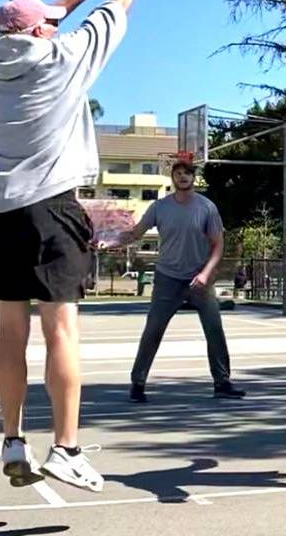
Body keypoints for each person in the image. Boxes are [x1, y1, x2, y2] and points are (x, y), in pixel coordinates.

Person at [0, 0, 170, 493]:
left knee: (10, 332)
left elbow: (32, 23)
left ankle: (12, 438)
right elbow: (120, 4)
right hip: (49, 208)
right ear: (41, 30)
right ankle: (66, 447)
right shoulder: (65, 57)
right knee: (60, 331)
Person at [100, 156, 245, 404]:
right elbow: (136, 233)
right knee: (153, 330)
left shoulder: (206, 207)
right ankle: (138, 383)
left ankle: (222, 383)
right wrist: (112, 240)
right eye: (178, 173)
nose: (183, 177)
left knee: (214, 330)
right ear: (173, 178)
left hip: (199, 279)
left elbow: (218, 245)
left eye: (187, 173)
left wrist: (205, 274)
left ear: (193, 178)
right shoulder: (159, 207)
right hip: (168, 278)